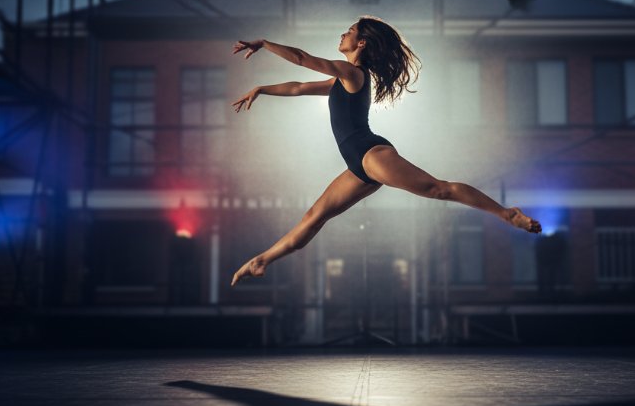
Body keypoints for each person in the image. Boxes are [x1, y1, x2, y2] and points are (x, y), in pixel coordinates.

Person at [229, 16, 541, 286]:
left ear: (361, 43)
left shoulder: (353, 73)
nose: (343, 34)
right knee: (314, 216)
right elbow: (297, 87)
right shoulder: (340, 78)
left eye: (349, 31)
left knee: (437, 189)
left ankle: (507, 214)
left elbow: (300, 57)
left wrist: (265, 43)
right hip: (357, 166)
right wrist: (262, 89)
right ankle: (263, 260)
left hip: (370, 154)